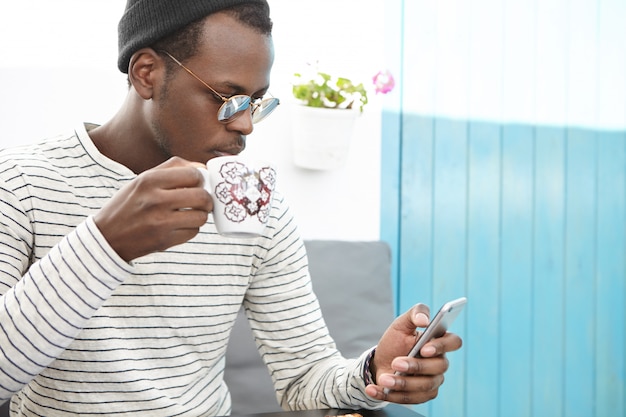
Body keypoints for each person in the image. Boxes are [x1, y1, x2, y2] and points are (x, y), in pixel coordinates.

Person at [0, 0, 463, 415]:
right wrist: (106, 243)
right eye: (228, 99)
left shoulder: (255, 204)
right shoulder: (22, 183)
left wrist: (374, 370)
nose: (245, 125)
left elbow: (305, 379)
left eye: (256, 103)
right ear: (146, 73)